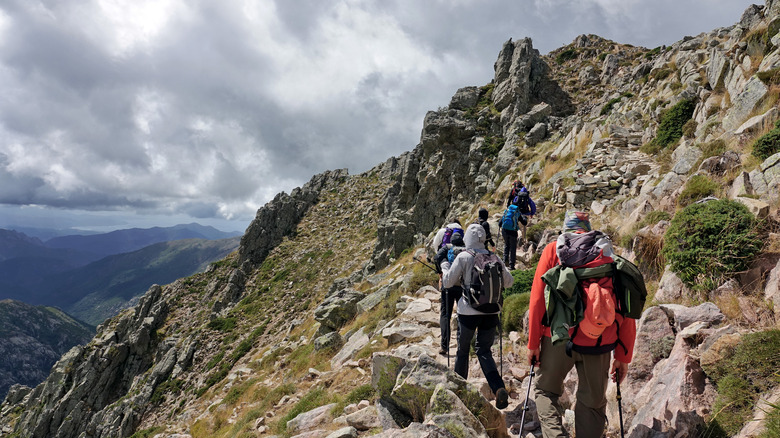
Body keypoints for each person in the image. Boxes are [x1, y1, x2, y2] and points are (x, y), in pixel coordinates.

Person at [526, 211, 637, 438]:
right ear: (588, 229)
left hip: (557, 337)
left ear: (566, 228)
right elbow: (624, 307)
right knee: (593, 403)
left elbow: (537, 299)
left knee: (545, 391)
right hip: (599, 340)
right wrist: (623, 356)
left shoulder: (553, 250)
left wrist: (533, 342)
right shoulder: (606, 253)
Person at [442, 223, 515, 409]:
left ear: (468, 238)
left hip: (468, 313)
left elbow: (448, 283)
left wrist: (444, 266)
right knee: (484, 351)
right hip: (492, 312)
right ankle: (498, 388)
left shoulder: (464, 256)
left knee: (463, 350)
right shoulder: (495, 257)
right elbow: (510, 282)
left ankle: (459, 392)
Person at [434, 230, 465, 356]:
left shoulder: (447, 248)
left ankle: (444, 345)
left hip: (448, 286)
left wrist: (440, 272)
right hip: (462, 287)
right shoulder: (466, 250)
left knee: (445, 314)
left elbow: (437, 258)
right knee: (462, 315)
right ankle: (461, 345)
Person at [498, 200, 526, 270]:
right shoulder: (517, 212)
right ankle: (511, 266)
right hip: (513, 232)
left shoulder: (507, 211)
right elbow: (524, 222)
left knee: (506, 245)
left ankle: (504, 262)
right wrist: (524, 218)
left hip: (504, 231)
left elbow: (500, 223)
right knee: (513, 248)